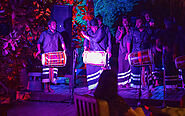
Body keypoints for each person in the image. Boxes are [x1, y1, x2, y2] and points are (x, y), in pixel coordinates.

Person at [35, 19, 66, 92]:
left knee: (53, 71)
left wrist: (64, 49)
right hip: (46, 55)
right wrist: (39, 50)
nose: (55, 25)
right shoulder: (44, 33)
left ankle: (49, 87)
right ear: (49, 26)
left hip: (55, 55)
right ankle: (46, 87)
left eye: (55, 24)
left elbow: (62, 41)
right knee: (46, 71)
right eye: (53, 24)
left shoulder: (57, 34)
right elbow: (39, 42)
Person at [81, 18, 110, 92]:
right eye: (93, 27)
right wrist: (85, 50)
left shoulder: (101, 30)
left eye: (95, 26)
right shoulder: (89, 31)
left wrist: (85, 35)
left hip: (100, 53)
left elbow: (96, 40)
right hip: (92, 53)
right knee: (90, 70)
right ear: (90, 27)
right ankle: (91, 88)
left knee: (101, 72)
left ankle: (100, 90)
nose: (94, 28)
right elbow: (86, 42)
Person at [128, 17, 152, 88]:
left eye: (139, 22)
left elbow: (151, 40)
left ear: (142, 22)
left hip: (145, 53)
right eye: (136, 22)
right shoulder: (133, 31)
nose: (137, 24)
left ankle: (146, 84)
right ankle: (136, 85)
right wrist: (129, 52)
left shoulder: (147, 31)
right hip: (135, 53)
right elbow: (129, 41)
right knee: (136, 69)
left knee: (146, 69)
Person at [115, 16, 132, 87]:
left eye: (126, 21)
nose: (125, 22)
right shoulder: (119, 29)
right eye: (123, 21)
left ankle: (127, 82)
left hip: (129, 51)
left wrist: (128, 31)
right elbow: (117, 40)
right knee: (121, 66)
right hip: (121, 51)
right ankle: (121, 82)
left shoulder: (131, 29)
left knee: (128, 66)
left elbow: (131, 39)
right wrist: (122, 33)